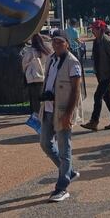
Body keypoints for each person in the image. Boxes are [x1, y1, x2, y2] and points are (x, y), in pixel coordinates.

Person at [39, 30, 82, 203]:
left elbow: (76, 90)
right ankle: (69, 171)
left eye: (60, 42)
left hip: (63, 111)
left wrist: (69, 114)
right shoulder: (50, 59)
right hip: (48, 109)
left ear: (67, 43)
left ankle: (62, 186)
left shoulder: (73, 62)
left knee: (65, 149)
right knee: (45, 143)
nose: (56, 45)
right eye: (54, 42)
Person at [82, 21, 110, 131]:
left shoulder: (108, 41)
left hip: (107, 74)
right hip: (100, 74)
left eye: (94, 29)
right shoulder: (96, 42)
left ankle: (94, 121)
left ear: (100, 29)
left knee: (97, 96)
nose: (92, 31)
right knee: (107, 96)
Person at [21, 34, 51, 117]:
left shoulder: (30, 52)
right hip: (42, 77)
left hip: (32, 78)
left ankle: (35, 114)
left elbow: (24, 64)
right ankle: (42, 114)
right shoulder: (46, 51)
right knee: (42, 98)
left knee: (33, 98)